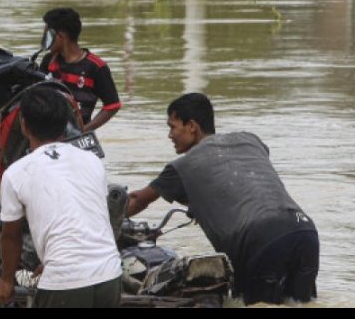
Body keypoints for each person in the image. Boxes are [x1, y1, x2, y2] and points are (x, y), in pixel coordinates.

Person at [127, 93, 319, 306]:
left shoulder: (182, 167)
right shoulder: (251, 140)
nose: (170, 135)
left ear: (192, 126)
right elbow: (239, 178)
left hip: (260, 238)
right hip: (304, 230)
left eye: (172, 127)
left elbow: (136, 201)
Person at [0, 85, 122, 308]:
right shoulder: (91, 161)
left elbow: (10, 236)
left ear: (24, 126)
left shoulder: (16, 173)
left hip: (65, 284)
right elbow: (89, 215)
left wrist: (6, 280)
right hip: (110, 275)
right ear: (65, 125)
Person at [38, 7, 121, 132]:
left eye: (47, 35)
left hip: (75, 137)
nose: (44, 39)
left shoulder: (96, 67)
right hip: (48, 133)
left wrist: (84, 130)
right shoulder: (48, 61)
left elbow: (112, 106)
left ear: (60, 36)